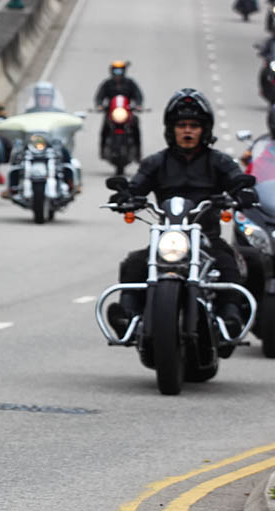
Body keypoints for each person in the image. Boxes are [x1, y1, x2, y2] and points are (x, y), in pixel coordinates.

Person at [107, 88, 252, 338]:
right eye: (181, 125)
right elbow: (137, 185)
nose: (187, 131)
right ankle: (128, 318)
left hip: (206, 238)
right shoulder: (155, 162)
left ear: (204, 130)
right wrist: (126, 196)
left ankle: (231, 318)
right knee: (134, 263)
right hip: (168, 237)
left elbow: (236, 179)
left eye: (194, 125)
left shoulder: (219, 161)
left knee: (229, 263)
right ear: (171, 129)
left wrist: (242, 192)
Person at [93, 61, 144, 159]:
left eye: (120, 71)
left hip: (127, 112)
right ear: (112, 71)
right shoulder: (107, 84)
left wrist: (138, 105)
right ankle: (103, 150)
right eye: (116, 71)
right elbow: (99, 96)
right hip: (111, 112)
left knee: (136, 128)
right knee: (104, 129)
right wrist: (99, 105)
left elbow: (138, 95)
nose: (118, 73)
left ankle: (138, 153)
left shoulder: (130, 83)